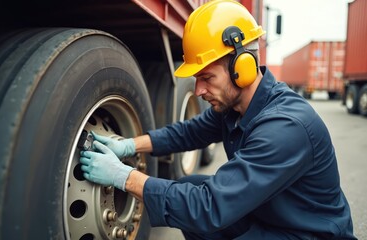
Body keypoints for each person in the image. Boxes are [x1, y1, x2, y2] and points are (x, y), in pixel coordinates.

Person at [79, 0, 356, 239]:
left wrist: (125, 177)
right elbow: (186, 133)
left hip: (306, 232)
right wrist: (128, 145)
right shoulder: (235, 108)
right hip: (271, 214)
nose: (198, 91)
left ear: (242, 68)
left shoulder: (285, 128)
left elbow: (209, 208)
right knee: (190, 186)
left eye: (207, 78)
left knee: (200, 206)